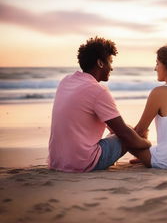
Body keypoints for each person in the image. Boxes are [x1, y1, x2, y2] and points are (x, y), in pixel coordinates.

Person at [48, 37, 151, 172]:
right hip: (82, 163)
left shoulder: (66, 81)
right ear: (100, 63)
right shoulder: (98, 90)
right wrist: (146, 143)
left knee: (128, 133)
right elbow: (125, 134)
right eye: (110, 62)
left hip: (57, 162)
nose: (112, 68)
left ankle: (139, 153)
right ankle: (146, 157)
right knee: (132, 133)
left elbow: (113, 128)